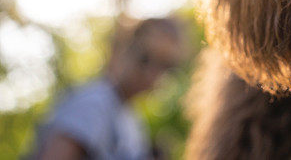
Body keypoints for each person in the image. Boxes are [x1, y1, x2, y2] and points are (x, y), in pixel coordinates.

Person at [30, 17, 187, 160]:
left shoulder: (132, 120)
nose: (152, 74)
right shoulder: (94, 104)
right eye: (145, 58)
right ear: (123, 49)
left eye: (165, 66)